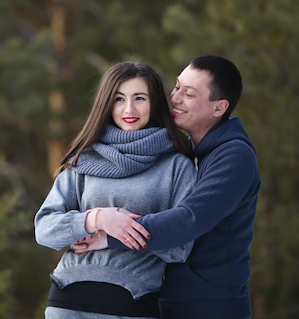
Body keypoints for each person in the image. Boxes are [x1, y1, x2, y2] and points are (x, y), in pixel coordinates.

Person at [74, 55, 261, 319]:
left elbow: (190, 219)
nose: (175, 98)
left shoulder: (234, 156)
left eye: (189, 94)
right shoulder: (186, 152)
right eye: (176, 87)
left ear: (219, 108)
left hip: (211, 306)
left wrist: (112, 235)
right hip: (169, 300)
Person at [34, 61, 197, 319]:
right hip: (67, 299)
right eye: (119, 99)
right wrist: (96, 219)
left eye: (139, 98)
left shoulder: (176, 166)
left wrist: (116, 233)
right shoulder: (83, 161)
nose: (129, 109)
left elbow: (181, 248)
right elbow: (44, 230)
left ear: (154, 103)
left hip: (131, 302)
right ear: (106, 104)